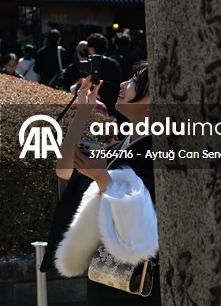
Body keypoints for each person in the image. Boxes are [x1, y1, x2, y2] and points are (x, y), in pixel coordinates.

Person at [51, 61, 160, 304]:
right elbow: (64, 170)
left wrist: (102, 178)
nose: (122, 84)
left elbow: (146, 214)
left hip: (138, 279)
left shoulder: (160, 151)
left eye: (133, 82)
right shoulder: (119, 148)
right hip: (105, 271)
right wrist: (82, 111)